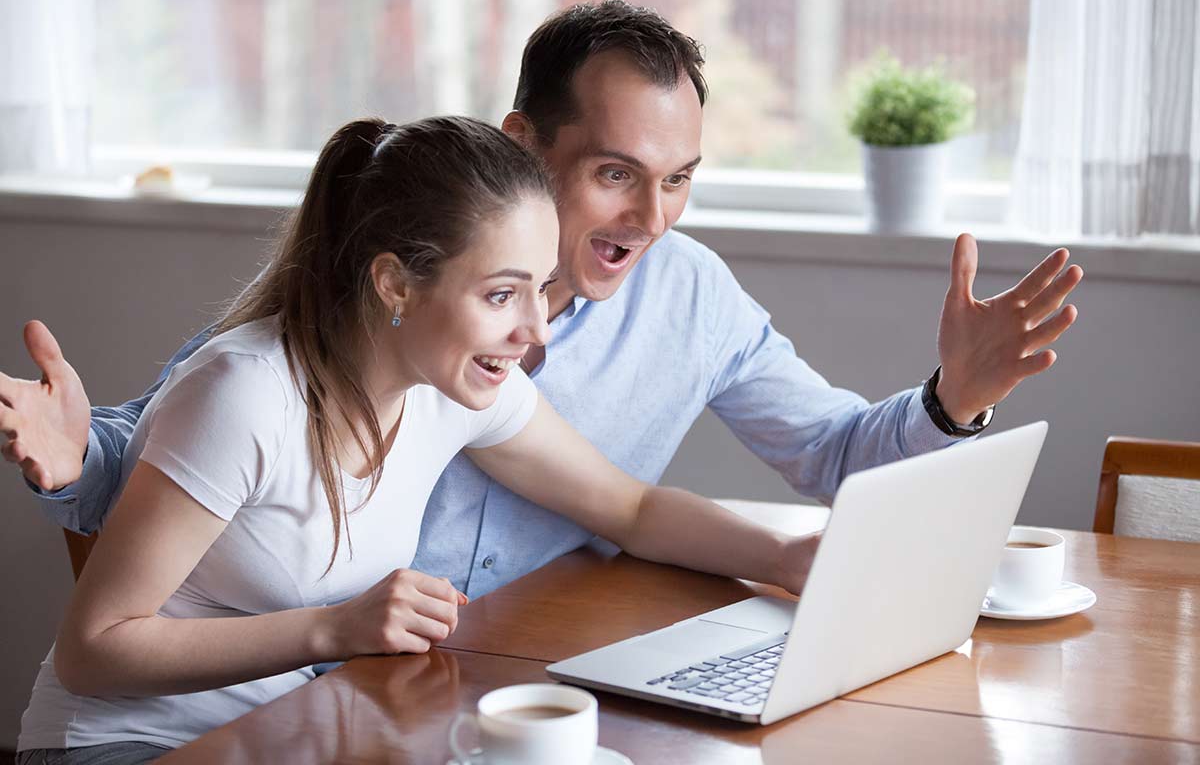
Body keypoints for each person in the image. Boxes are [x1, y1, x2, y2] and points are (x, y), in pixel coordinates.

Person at [1, 1, 1081, 596]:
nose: (651, 218)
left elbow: (829, 458)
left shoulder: (690, 296)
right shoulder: (401, 274)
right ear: (524, 142)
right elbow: (161, 453)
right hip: (335, 678)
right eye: (615, 172)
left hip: (539, 662)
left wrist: (951, 402)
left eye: (680, 178)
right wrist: (76, 458)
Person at [15, 115, 820, 762]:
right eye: (503, 294)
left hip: (286, 735)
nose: (533, 331)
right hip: (129, 742)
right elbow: (95, 649)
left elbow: (632, 509)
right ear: (396, 281)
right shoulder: (245, 394)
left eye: (539, 290)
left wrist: (786, 561)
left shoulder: (451, 389)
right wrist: (334, 630)